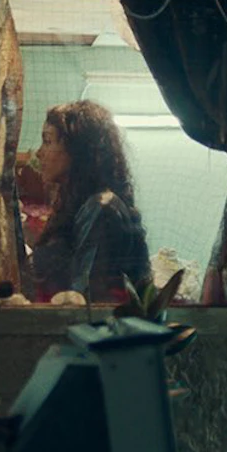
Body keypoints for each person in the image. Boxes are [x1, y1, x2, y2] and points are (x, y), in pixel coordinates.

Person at [28, 100, 151, 304]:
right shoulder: (77, 203)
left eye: (48, 141)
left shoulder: (102, 208)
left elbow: (85, 299)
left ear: (78, 150)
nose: (39, 153)